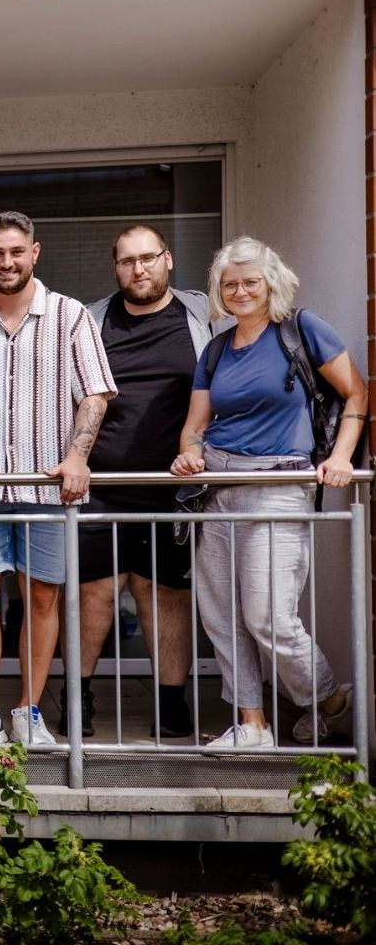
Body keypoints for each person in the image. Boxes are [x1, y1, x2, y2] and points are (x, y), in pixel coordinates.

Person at [170, 236, 366, 748]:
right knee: (221, 616)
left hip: (278, 485)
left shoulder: (300, 330)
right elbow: (195, 427)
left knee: (269, 617)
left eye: (250, 282)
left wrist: (341, 456)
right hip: (217, 487)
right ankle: (252, 724)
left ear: (271, 283)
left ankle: (328, 698)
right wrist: (189, 453)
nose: (239, 292)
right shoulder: (216, 349)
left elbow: (356, 393)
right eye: (229, 284)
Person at [0, 211, 116, 747]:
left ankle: (28, 713)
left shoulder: (71, 314)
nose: (7, 262)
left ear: (34, 253)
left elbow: (95, 393)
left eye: (17, 251)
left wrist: (78, 457)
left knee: (41, 600)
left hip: (47, 488)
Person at [71, 226, 222, 740]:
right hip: (99, 484)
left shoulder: (203, 316)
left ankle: (171, 706)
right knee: (93, 593)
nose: (139, 269)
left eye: (148, 258)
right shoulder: (91, 321)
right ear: (115, 267)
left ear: (168, 260)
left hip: (174, 487)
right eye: (127, 261)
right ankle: (78, 700)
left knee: (166, 594)